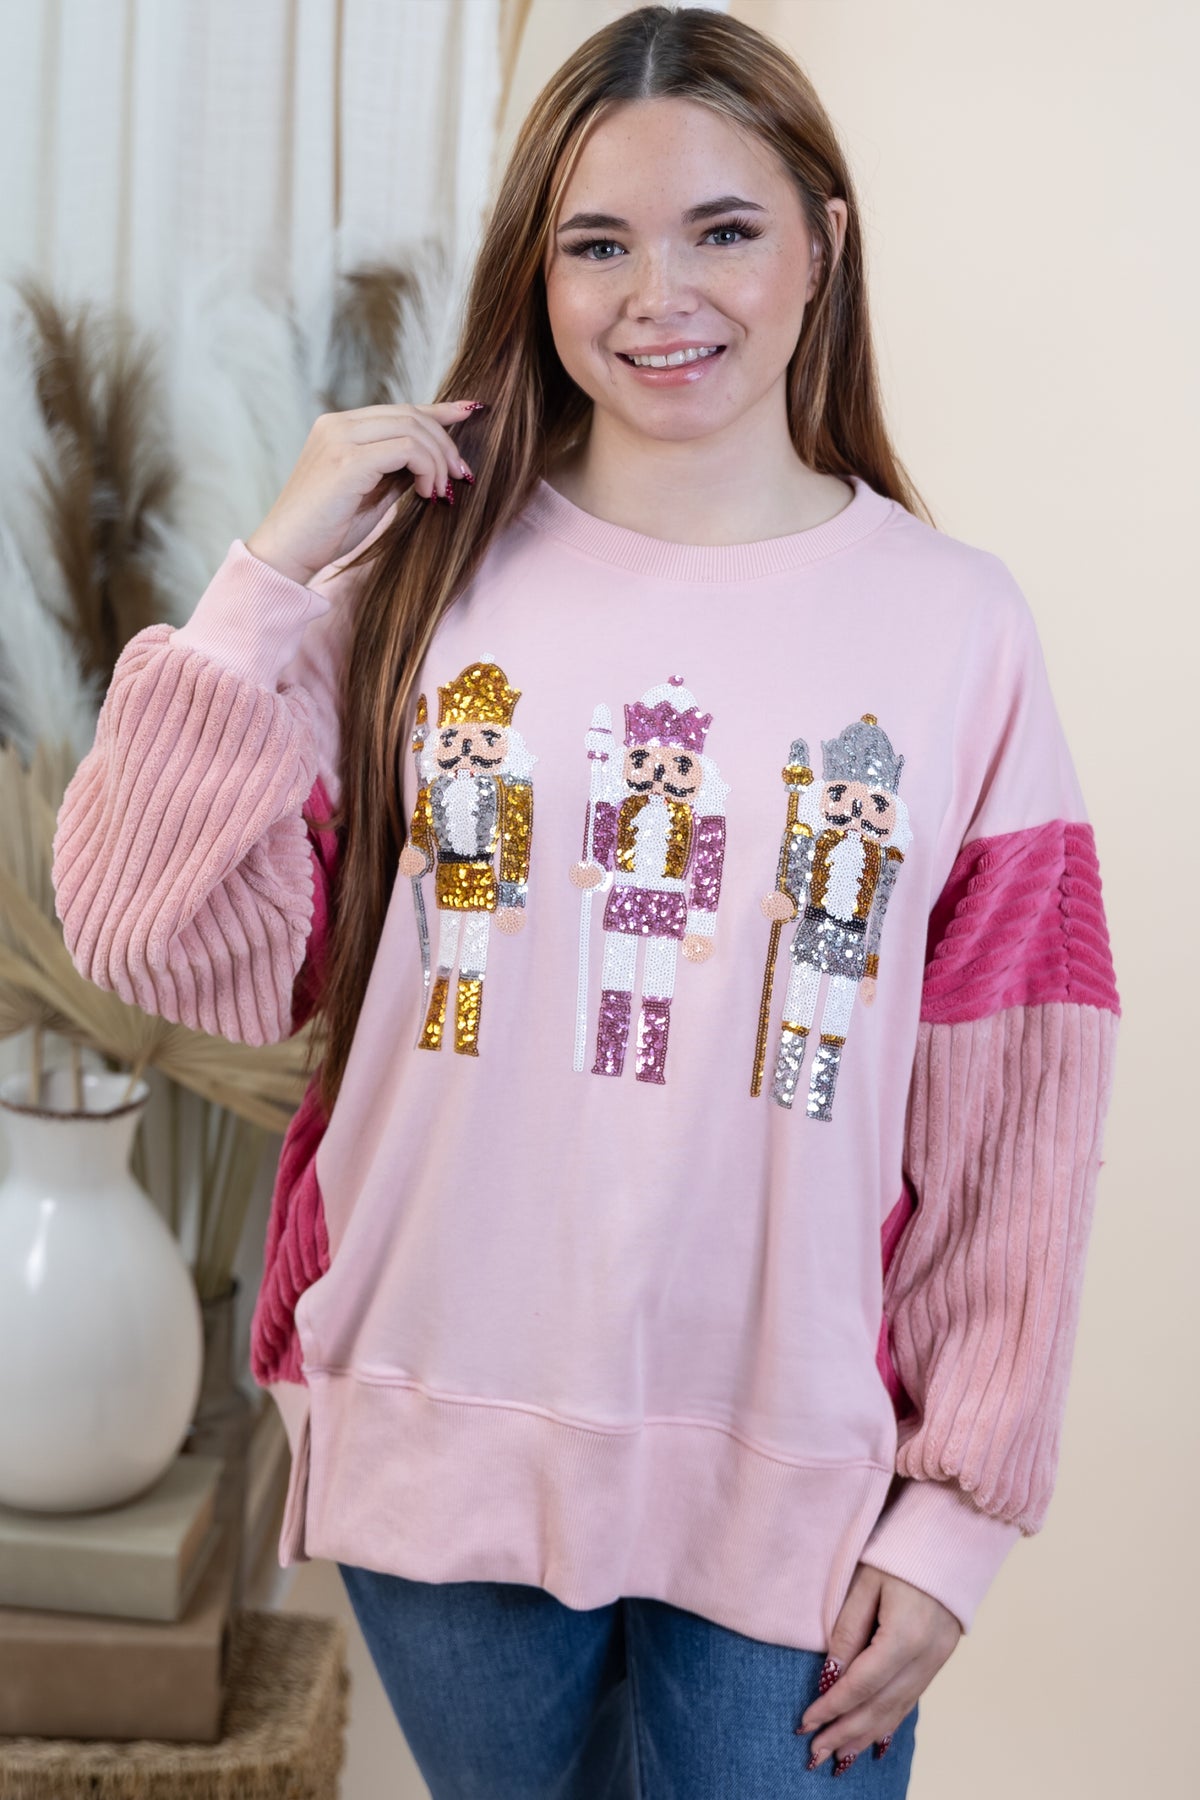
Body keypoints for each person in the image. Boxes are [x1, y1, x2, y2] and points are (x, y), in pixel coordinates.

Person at [51, 6, 1121, 1793]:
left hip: (798, 1454)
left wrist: (959, 1517)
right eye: (598, 244)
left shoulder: (958, 627)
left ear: (822, 245)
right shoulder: (416, 578)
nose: (657, 296)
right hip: (432, 1409)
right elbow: (147, 932)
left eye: (723, 229)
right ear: (537, 273)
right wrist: (268, 573)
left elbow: (1021, 1098)